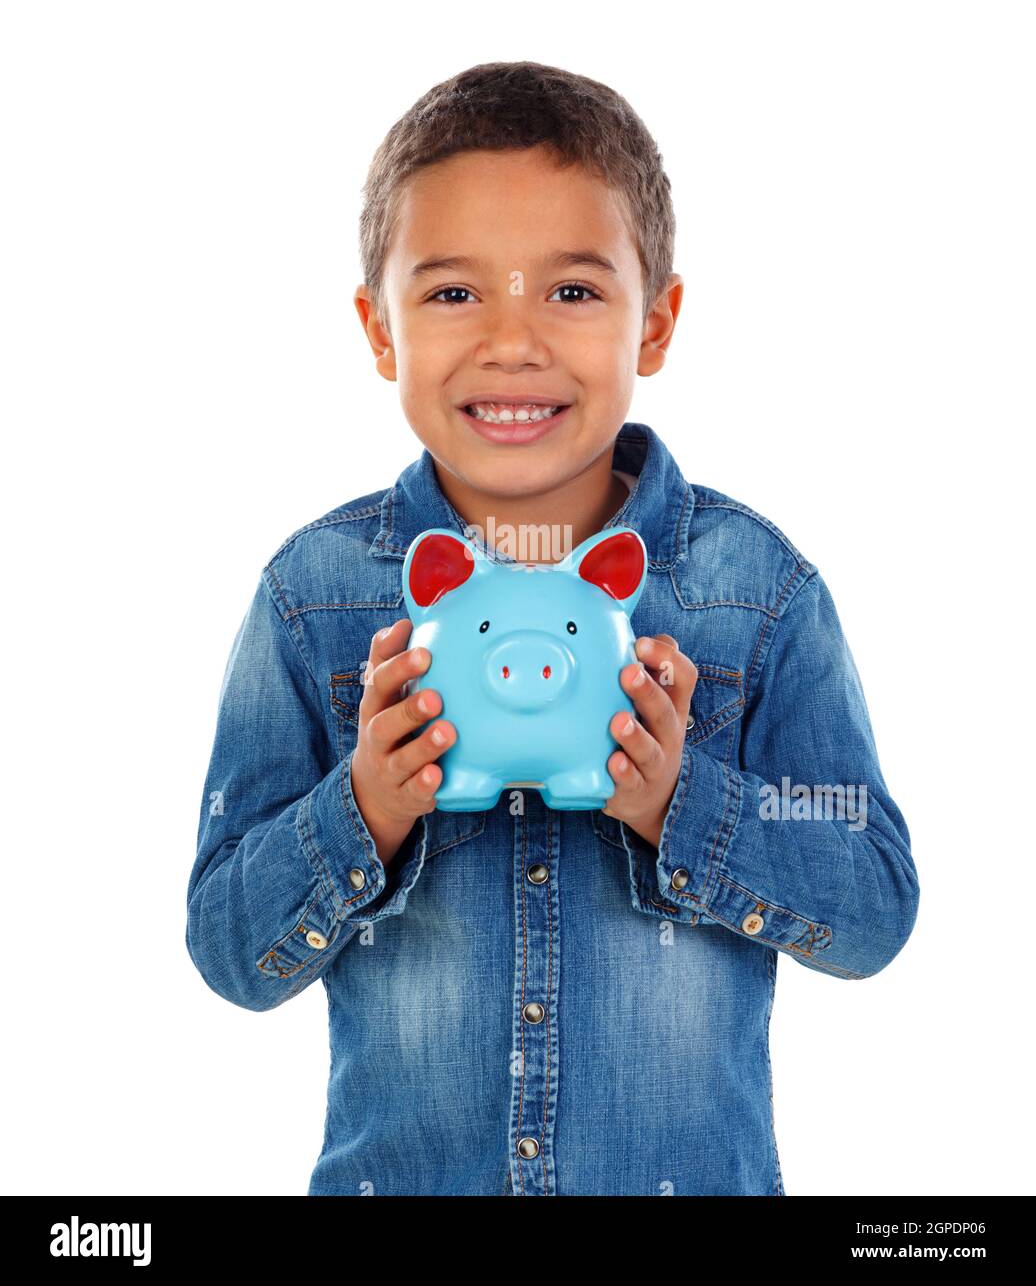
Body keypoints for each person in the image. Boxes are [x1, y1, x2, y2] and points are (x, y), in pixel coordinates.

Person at [185, 61, 920, 1196]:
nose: (514, 340)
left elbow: (871, 906)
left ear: (657, 319)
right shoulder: (315, 593)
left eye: (571, 293)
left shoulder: (753, 589)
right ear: (379, 329)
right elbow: (230, 951)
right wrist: (364, 808)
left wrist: (684, 802)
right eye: (452, 293)